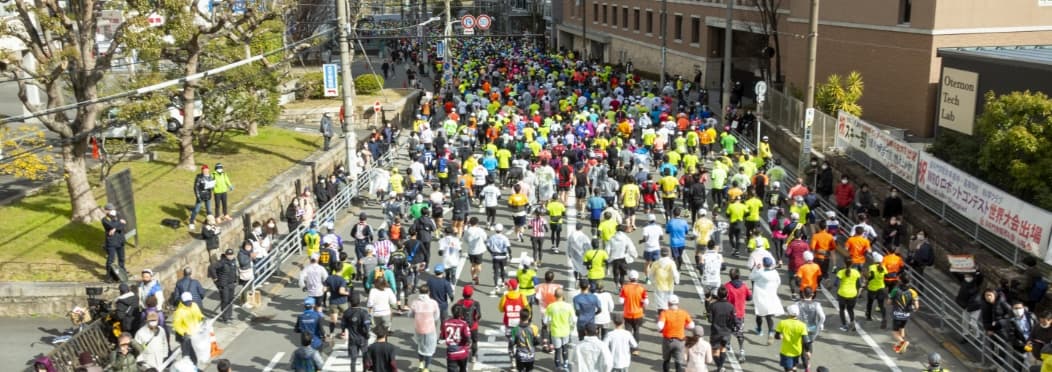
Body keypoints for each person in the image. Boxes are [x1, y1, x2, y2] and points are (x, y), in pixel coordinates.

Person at [750, 257, 785, 345]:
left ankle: (759, 329)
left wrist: (756, 268)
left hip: (761, 296)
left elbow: (751, 277)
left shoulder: (760, 272)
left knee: (759, 313)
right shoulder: (775, 272)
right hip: (771, 295)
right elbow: (779, 282)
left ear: (764, 264)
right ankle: (771, 332)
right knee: (769, 316)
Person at [658, 294, 695, 372]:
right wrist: (684, 326)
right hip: (680, 341)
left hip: (668, 341)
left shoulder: (664, 313)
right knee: (678, 363)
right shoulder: (684, 313)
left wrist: (663, 329)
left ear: (668, 303)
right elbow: (692, 325)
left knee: (666, 360)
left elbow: (660, 326)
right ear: (678, 304)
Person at [410, 285, 440, 372]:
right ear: (428, 292)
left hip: (419, 328)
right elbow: (437, 316)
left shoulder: (415, 302)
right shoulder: (433, 303)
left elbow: (410, 314)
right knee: (429, 349)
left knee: (421, 347)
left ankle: (420, 364)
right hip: (430, 328)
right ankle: (426, 368)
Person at [546, 288, 577, 371]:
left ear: (554, 296)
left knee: (557, 350)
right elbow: (574, 320)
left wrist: (550, 324)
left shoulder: (550, 306)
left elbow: (545, 321)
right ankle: (566, 365)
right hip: (566, 330)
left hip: (555, 331)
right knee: (565, 347)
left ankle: (558, 366)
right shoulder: (568, 306)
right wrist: (571, 328)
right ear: (563, 295)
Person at [708, 287, 738, 370]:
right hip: (727, 332)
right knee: (723, 349)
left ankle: (720, 367)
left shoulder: (713, 305)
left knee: (715, 351)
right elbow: (735, 319)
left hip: (716, 332)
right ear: (727, 295)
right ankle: (720, 368)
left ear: (718, 295)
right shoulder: (731, 306)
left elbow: (710, 320)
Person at [341, 292, 371, 372]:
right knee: (365, 357)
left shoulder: (346, 312)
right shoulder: (363, 312)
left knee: (353, 359)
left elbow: (343, 324)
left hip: (352, 338)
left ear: (350, 302)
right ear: (359, 301)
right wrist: (367, 334)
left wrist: (343, 331)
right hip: (363, 338)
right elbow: (367, 326)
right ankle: (364, 370)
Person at [889, 276, 920, 353]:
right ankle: (900, 345)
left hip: (897, 314)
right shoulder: (913, 292)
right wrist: (914, 309)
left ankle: (903, 342)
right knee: (902, 328)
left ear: (901, 281)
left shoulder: (895, 290)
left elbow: (888, 302)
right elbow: (917, 306)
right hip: (906, 315)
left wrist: (893, 302)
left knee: (894, 332)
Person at [775, 304, 809, 372]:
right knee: (794, 366)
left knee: (788, 369)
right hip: (797, 351)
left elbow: (776, 336)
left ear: (788, 313)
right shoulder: (802, 325)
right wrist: (807, 351)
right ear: (798, 314)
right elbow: (805, 340)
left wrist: (780, 337)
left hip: (786, 351)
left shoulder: (782, 323)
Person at [453, 286, 483, 362]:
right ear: (471, 294)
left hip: (462, 326)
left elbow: (455, 313)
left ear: (463, 293)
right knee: (474, 341)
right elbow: (479, 316)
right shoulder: (476, 303)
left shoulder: (459, 302)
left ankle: (462, 355)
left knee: (462, 341)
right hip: (473, 326)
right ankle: (473, 356)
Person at [441, 305, 473, 372]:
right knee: (463, 369)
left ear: (452, 312)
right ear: (461, 314)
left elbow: (442, 337)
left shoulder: (446, 323)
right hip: (462, 352)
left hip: (451, 353)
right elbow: (468, 338)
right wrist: (469, 344)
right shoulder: (464, 324)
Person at [650, 247, 680, 315]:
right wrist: (677, 281)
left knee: (660, 303)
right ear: (668, 254)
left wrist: (653, 282)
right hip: (669, 286)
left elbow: (651, 274)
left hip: (659, 285)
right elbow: (675, 274)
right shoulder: (671, 263)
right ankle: (667, 315)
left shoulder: (656, 263)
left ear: (660, 254)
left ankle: (661, 315)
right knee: (668, 302)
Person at [101, 203, 127, 282]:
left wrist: (115, 229)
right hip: (111, 242)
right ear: (106, 211)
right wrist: (118, 225)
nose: (112, 211)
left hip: (120, 240)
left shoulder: (118, 215)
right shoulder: (105, 219)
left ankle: (122, 271)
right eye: (110, 210)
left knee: (121, 258)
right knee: (111, 259)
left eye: (112, 209)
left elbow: (123, 225)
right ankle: (109, 275)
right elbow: (111, 225)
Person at [834, 264, 863, 331]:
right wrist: (858, 293)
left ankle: (844, 325)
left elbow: (835, 283)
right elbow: (859, 285)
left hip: (842, 294)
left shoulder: (841, 272)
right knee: (850, 310)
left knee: (842, 310)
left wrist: (840, 288)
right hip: (853, 294)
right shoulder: (856, 272)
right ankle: (852, 323)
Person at [865, 253, 889, 329]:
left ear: (875, 260)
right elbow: (886, 277)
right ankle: (884, 318)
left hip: (872, 288)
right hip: (881, 288)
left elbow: (871, 276)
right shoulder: (884, 268)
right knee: (881, 305)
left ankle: (868, 316)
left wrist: (867, 280)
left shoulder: (872, 267)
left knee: (870, 303)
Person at [189, 164, 215, 231]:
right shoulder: (199, 177)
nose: (205, 171)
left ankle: (209, 223)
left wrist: (212, 186)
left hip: (208, 196)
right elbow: (196, 188)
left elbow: (212, 187)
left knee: (209, 211)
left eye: (206, 170)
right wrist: (198, 197)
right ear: (202, 170)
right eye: (204, 170)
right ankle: (191, 222)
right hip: (201, 196)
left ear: (208, 170)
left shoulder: (210, 177)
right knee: (196, 210)